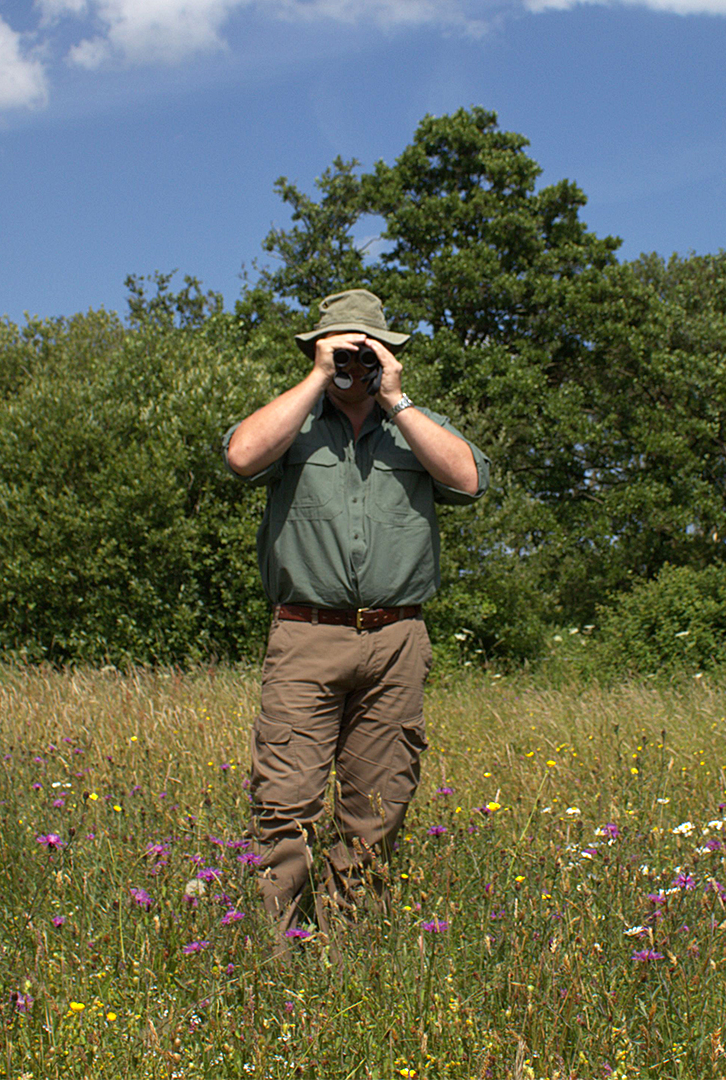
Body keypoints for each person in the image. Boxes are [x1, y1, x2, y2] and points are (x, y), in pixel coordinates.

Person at [224, 289, 489, 945]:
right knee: (284, 800)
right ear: (317, 351)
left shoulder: (415, 426)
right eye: (340, 349)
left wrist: (397, 399)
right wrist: (317, 379)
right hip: (305, 633)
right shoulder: (296, 424)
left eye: (366, 350)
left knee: (380, 804)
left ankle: (347, 942)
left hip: (397, 638)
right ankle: (276, 950)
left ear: (389, 356)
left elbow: (468, 480)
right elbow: (240, 455)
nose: (353, 362)